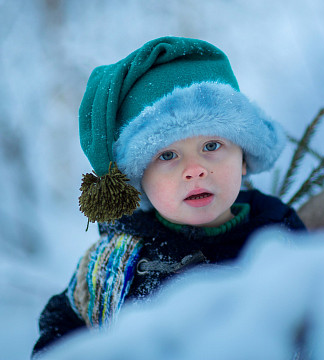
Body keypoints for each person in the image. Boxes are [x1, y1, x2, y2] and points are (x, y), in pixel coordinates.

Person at [32, 36, 306, 358]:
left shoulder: (280, 234)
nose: (195, 170)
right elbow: (63, 332)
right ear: (139, 181)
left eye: (211, 146)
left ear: (244, 158)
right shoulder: (115, 263)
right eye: (167, 156)